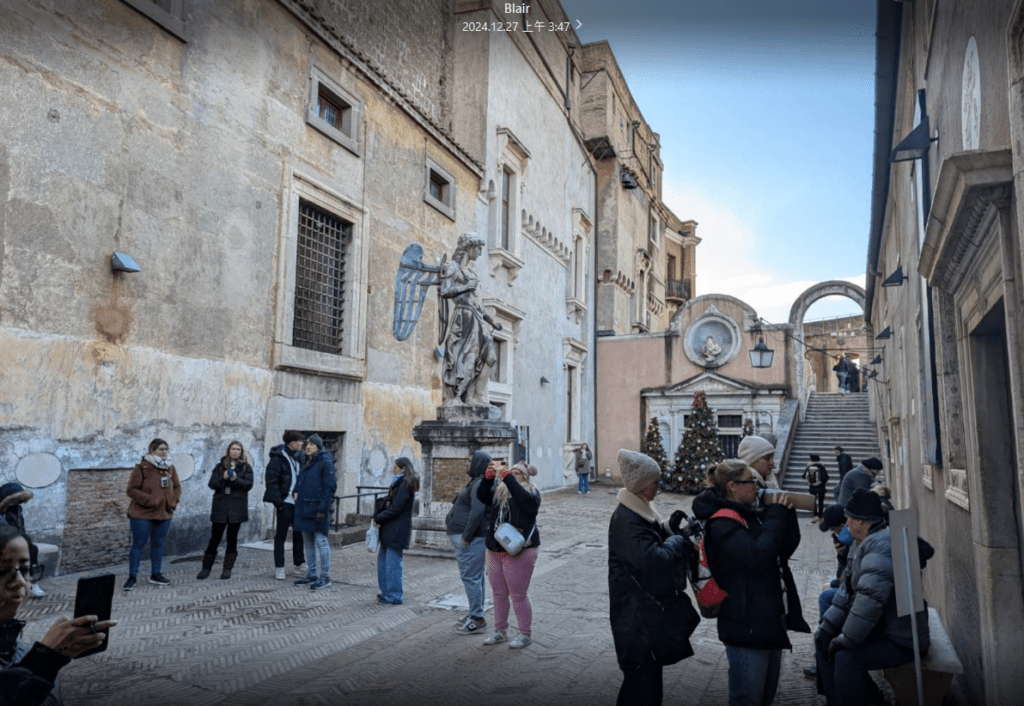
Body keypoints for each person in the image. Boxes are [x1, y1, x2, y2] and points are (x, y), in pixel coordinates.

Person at [693, 459, 810, 706]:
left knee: (764, 699)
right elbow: (757, 557)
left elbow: (780, 552)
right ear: (734, 486)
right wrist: (775, 519)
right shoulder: (722, 522)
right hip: (745, 627)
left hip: (768, 623)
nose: (757, 486)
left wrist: (786, 517)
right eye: (751, 481)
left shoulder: (752, 514)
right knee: (747, 700)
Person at [814, 489, 932, 706]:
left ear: (861, 521)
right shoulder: (864, 542)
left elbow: (867, 605)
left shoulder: (880, 548)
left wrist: (842, 640)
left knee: (845, 657)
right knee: (823, 640)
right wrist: (828, 627)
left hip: (902, 639)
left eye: (849, 519)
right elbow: (846, 591)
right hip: (884, 629)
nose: (847, 524)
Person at [608, 449, 700, 706]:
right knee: (642, 690)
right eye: (655, 482)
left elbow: (652, 544)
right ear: (641, 486)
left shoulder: (639, 512)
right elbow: (653, 561)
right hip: (635, 621)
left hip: (643, 617)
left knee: (645, 687)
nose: (658, 487)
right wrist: (680, 541)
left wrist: (670, 528)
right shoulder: (627, 520)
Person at [0, 525, 117, 706]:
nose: (20, 582)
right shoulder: (33, 655)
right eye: (2, 572)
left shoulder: (17, 649)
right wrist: (45, 660)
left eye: (24, 570)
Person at [477, 460, 541, 649]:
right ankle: (500, 631)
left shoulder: (531, 493)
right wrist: (487, 479)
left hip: (520, 550)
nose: (512, 475)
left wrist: (508, 477)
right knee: (498, 593)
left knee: (518, 595)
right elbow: (482, 497)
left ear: (525, 476)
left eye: (517, 473)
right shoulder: (501, 491)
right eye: (510, 472)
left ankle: (525, 633)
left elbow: (526, 504)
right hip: (494, 549)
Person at [439, 232, 503, 406]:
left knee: (490, 356)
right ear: (469, 247)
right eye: (478, 248)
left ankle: (477, 395)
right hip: (463, 319)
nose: (481, 252)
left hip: (477, 320)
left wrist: (492, 322)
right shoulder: (452, 267)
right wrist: (465, 287)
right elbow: (444, 291)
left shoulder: (471, 272)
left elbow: (478, 304)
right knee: (465, 362)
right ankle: (455, 397)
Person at [124, 438, 181, 591]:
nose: (164, 452)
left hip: (164, 514)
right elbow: (131, 490)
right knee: (138, 545)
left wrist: (172, 502)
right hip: (142, 514)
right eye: (160, 449)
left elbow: (177, 487)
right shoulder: (142, 468)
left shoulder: (170, 468)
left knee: (158, 545)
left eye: (166, 449)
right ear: (152, 450)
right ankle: (132, 577)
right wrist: (149, 500)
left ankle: (156, 574)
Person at [197, 441, 254, 580]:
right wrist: (223, 479)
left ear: (241, 452)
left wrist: (235, 479)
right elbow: (212, 484)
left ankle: (227, 568)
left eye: (238, 449)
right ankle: (206, 568)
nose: (235, 451)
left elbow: (248, 485)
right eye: (233, 449)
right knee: (215, 538)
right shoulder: (219, 467)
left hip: (237, 507)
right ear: (228, 451)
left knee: (232, 539)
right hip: (220, 506)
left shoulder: (246, 468)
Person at [447, 450, 490, 635]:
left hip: (471, 540)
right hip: (470, 538)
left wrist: (466, 536)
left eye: (470, 461)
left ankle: (477, 619)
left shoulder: (480, 483)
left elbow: (477, 513)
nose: (467, 464)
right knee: (476, 577)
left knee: (471, 577)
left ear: (478, 464)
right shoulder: (476, 482)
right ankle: (475, 613)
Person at [372, 457, 419, 605]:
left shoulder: (405, 485)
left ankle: (394, 595)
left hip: (396, 530)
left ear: (403, 469)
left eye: (395, 467)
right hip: (389, 529)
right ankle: (387, 592)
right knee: (383, 564)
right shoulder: (399, 484)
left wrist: (379, 518)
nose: (393, 469)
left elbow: (397, 508)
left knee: (392, 565)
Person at [292, 435, 336, 591]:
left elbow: (329, 487)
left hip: (318, 510)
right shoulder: (306, 462)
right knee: (308, 544)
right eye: (307, 444)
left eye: (312, 444)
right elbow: (300, 481)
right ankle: (312, 574)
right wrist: (295, 491)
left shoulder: (325, 462)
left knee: (321, 543)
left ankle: (325, 577)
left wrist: (322, 510)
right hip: (304, 508)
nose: (308, 446)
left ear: (318, 446)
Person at [263, 431, 307, 581]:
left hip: (297, 503)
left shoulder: (299, 457)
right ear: (292, 442)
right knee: (280, 536)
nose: (302, 444)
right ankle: (279, 567)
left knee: (298, 534)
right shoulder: (278, 458)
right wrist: (279, 503)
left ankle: (299, 564)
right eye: (300, 441)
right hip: (285, 503)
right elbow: (271, 481)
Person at [0, 484, 44, 598]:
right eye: (16, 500)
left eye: (20, 500)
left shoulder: (17, 509)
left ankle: (32, 583)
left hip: (13, 540)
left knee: (32, 549)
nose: (18, 503)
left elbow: (20, 529)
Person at [803, 454, 829, 520]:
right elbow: (825, 477)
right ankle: (820, 514)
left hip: (812, 487)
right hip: (821, 487)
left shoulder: (809, 467)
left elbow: (803, 476)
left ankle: (814, 513)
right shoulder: (821, 467)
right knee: (821, 501)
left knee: (813, 501)